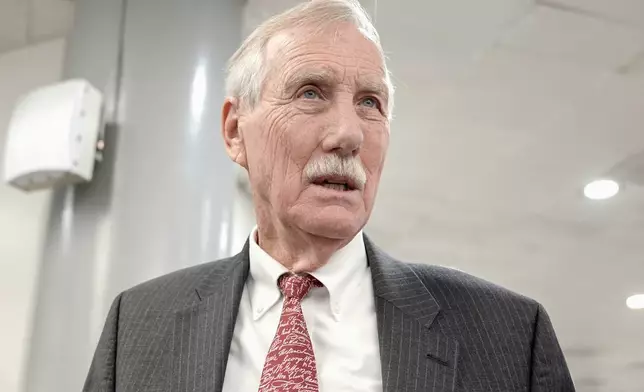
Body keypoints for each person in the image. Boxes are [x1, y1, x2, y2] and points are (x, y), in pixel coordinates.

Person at [83, 1, 575, 391]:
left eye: (370, 102)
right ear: (235, 131)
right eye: (311, 93)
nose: (349, 134)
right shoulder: (139, 326)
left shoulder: (508, 335)